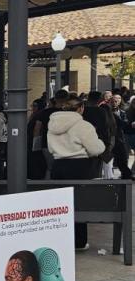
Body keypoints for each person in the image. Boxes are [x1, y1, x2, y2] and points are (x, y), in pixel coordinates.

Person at [47, 98, 106, 249]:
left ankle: (61, 240)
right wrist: (101, 144)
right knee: (79, 204)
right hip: (80, 167)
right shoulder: (83, 125)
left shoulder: (52, 124)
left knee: (60, 205)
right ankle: (79, 241)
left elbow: (50, 148)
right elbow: (95, 149)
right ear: (81, 108)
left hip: (58, 166)